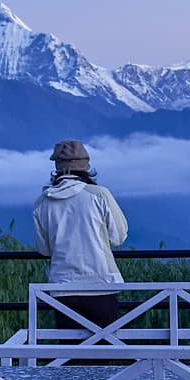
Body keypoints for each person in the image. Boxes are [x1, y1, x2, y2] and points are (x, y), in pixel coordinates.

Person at [32, 139, 128, 330]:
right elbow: (119, 236)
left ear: (57, 168)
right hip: (101, 282)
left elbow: (43, 249)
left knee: (68, 353)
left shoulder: (42, 202)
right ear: (86, 167)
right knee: (104, 348)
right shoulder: (99, 195)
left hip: (62, 287)